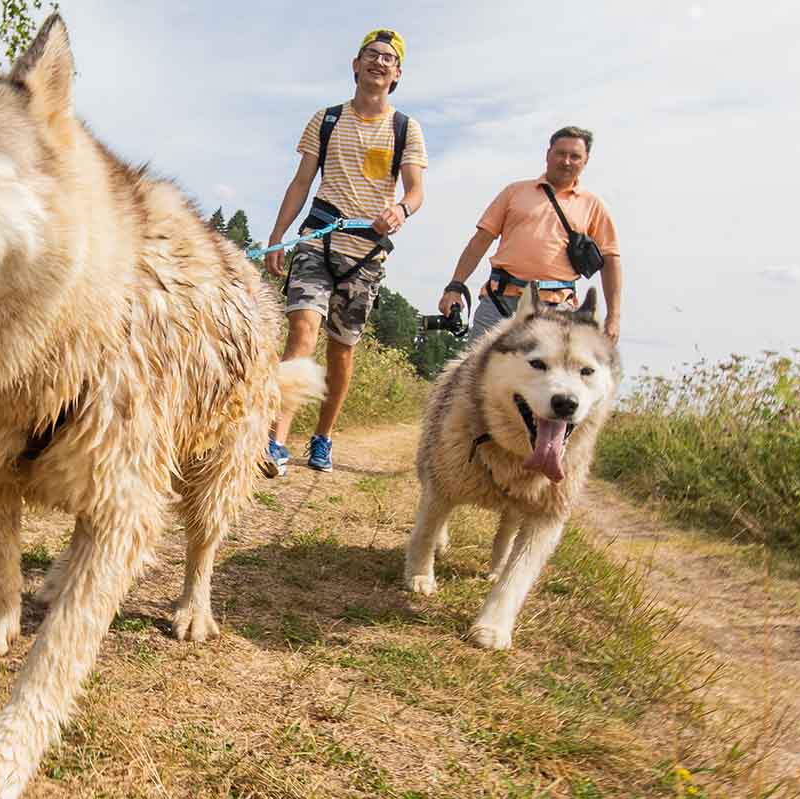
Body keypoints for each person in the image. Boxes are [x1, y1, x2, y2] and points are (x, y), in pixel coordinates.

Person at [259, 28, 427, 475]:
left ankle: (323, 437)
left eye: (387, 59)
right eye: (370, 55)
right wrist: (279, 235)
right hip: (318, 237)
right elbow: (301, 182)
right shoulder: (327, 120)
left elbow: (416, 190)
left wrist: (401, 211)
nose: (378, 62)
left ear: (397, 74)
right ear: (355, 65)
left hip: (366, 254)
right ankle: (275, 440)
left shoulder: (406, 129)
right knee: (302, 334)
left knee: (341, 350)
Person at [443, 126, 621, 343]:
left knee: (544, 375)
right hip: (500, 300)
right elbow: (480, 242)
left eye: (575, 156)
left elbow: (611, 260)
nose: (566, 161)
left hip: (555, 308)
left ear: (585, 161)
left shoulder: (594, 206)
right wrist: (455, 286)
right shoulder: (514, 192)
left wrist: (613, 317)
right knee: (475, 371)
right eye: (560, 153)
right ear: (548, 154)